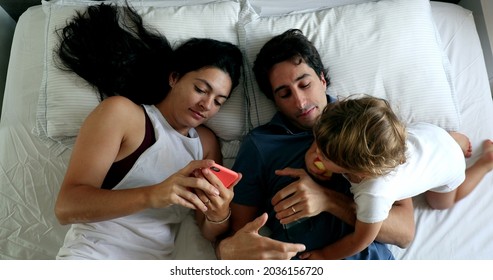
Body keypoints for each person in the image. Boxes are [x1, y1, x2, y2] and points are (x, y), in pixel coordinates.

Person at [53, 3, 243, 259]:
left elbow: (208, 231)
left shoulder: (205, 143)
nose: (206, 105)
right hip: (92, 256)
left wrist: (219, 214)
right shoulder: (122, 114)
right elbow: (67, 207)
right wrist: (154, 195)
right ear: (174, 78)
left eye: (219, 101)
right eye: (200, 89)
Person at [215, 29, 415, 260]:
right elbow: (239, 237)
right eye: (284, 94)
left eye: (305, 84)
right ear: (275, 101)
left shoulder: (366, 123)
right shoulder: (261, 146)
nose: (300, 102)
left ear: (322, 79)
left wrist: (328, 200)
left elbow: (405, 233)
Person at [304, 95, 493, 260]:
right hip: (430, 134)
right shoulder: (378, 132)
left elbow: (359, 241)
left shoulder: (373, 194)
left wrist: (325, 255)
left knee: (440, 203)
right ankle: (455, 140)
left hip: (450, 165)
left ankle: (484, 164)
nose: (317, 152)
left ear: (360, 171)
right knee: (437, 142)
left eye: (325, 155)